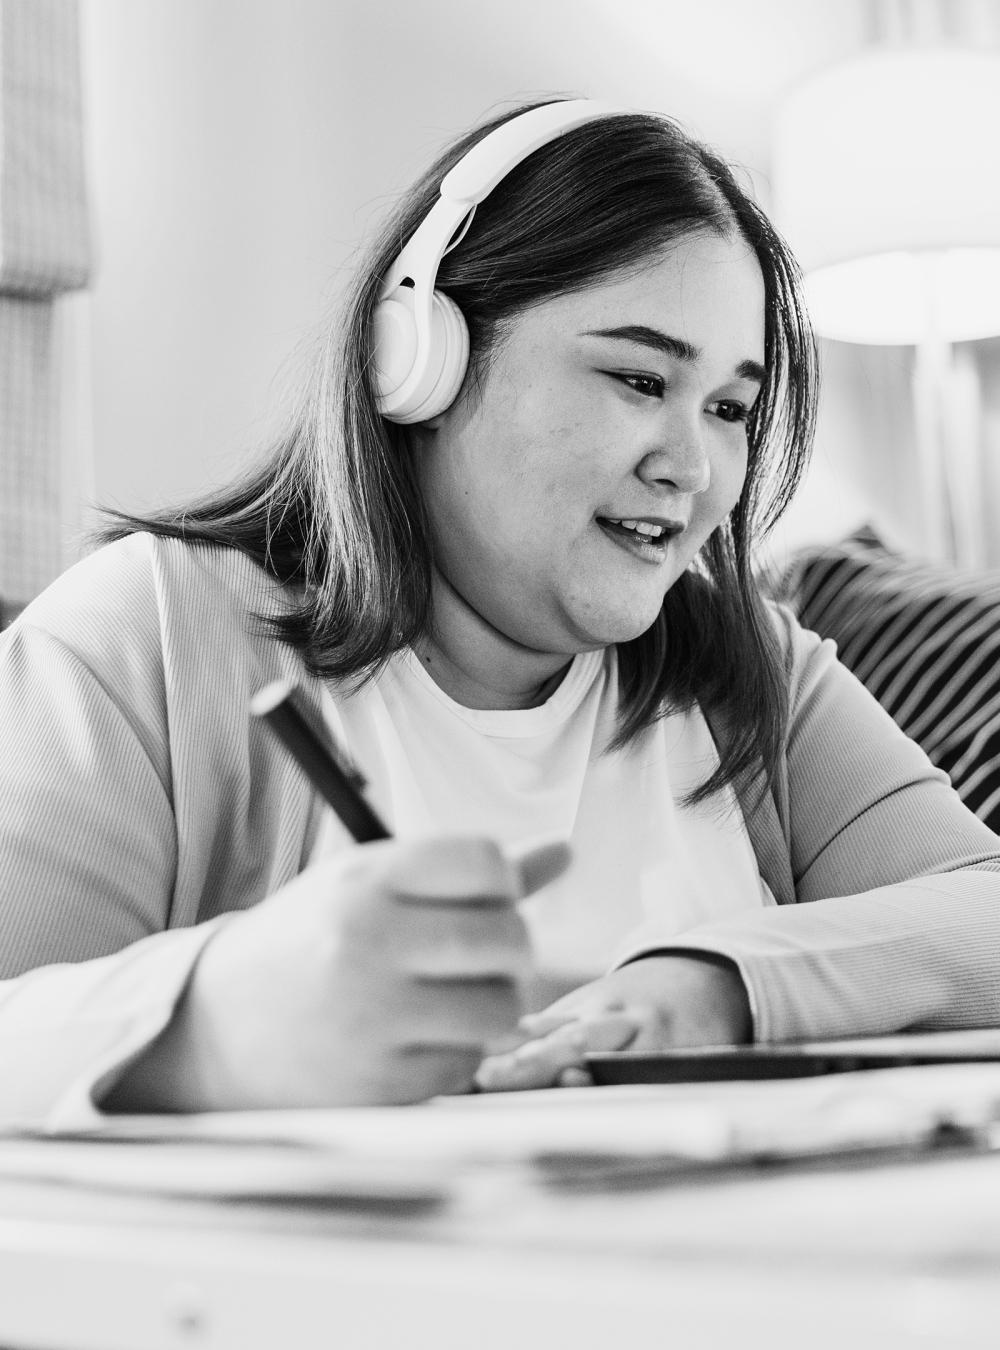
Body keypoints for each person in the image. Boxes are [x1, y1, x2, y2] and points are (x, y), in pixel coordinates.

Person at [2, 97, 999, 1128]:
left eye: (729, 408)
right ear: (418, 360)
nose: (693, 468)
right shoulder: (149, 634)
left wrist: (719, 987)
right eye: (636, 378)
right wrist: (210, 1029)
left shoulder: (747, 668)